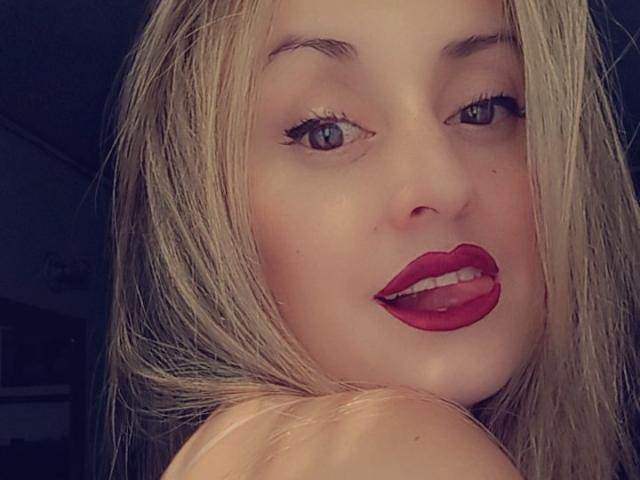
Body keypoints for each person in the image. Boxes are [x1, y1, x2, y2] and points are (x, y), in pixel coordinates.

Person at [103, 0, 640, 478]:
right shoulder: (387, 451)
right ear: (203, 210)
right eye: (326, 132)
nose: (443, 184)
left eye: (483, 107)